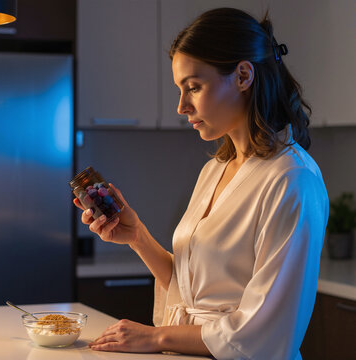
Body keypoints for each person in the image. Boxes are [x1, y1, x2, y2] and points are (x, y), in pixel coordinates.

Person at [73, 7, 329, 360]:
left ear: (242, 75)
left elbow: (263, 332)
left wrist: (157, 337)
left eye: (193, 87)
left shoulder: (292, 181)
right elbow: (190, 295)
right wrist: (137, 237)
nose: (181, 106)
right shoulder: (217, 169)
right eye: (180, 89)